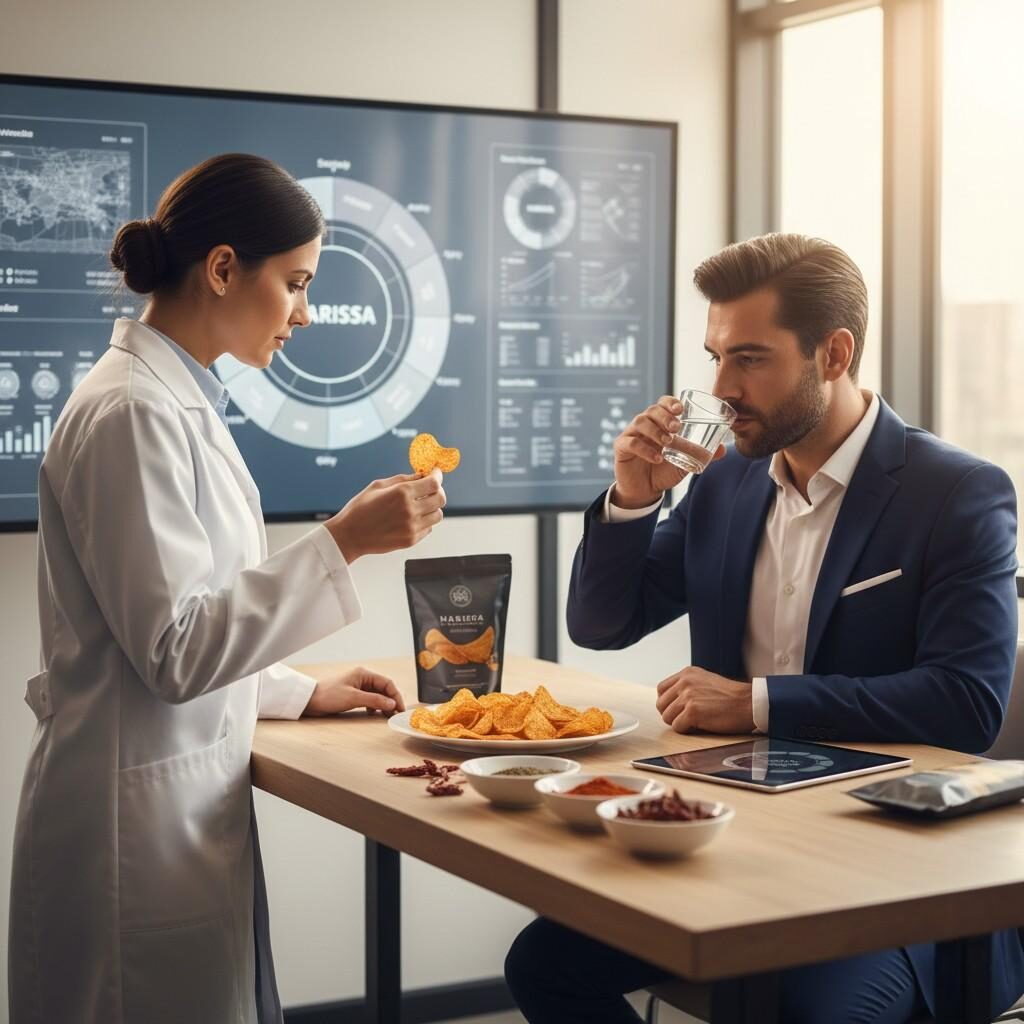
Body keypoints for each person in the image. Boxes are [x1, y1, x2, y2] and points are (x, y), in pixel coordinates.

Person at [505, 233, 1024, 1023]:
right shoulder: (727, 481)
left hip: (893, 872)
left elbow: (966, 705)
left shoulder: (958, 493)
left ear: (834, 354)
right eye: (716, 357)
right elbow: (604, 623)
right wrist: (634, 499)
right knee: (545, 965)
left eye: (749, 359)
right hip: (734, 847)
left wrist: (755, 702)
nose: (721, 388)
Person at [8, 154, 447, 1024]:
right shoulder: (132, 411)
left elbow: (176, 617)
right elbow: (173, 651)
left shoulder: (171, 399)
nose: (305, 313)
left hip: (167, 807)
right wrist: (345, 542)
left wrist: (297, 690)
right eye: (296, 283)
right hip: (129, 829)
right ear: (220, 268)